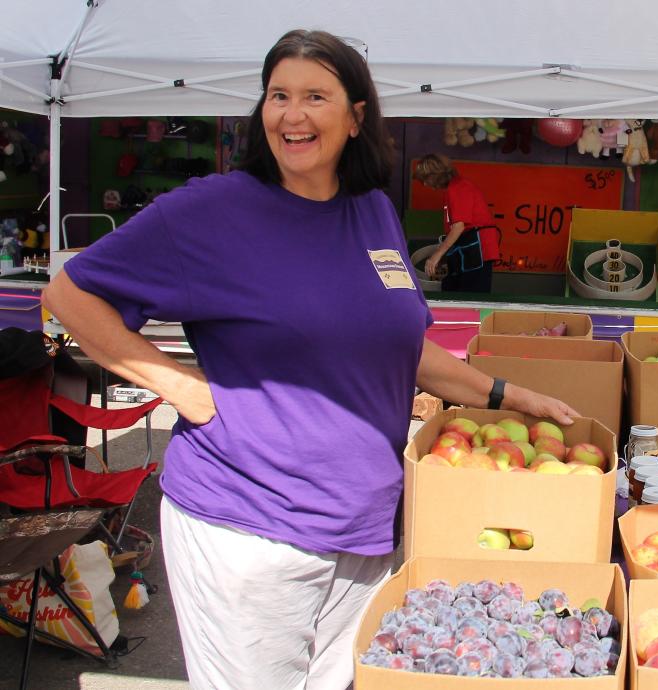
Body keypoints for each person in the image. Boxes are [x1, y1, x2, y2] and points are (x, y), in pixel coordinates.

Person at [41, 30, 577, 690]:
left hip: (366, 529)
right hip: (251, 524)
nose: (292, 115)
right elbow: (70, 293)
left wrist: (507, 396)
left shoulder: (372, 213)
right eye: (278, 96)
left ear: (355, 117)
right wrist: (185, 388)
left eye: (315, 96)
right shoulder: (213, 212)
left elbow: (398, 346)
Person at [413, 153, 500, 293]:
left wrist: (437, 255)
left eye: (425, 179)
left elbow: (459, 227)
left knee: (471, 297)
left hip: (477, 251)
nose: (424, 184)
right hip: (466, 250)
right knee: (450, 288)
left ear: (435, 175)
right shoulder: (452, 190)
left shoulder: (459, 188)